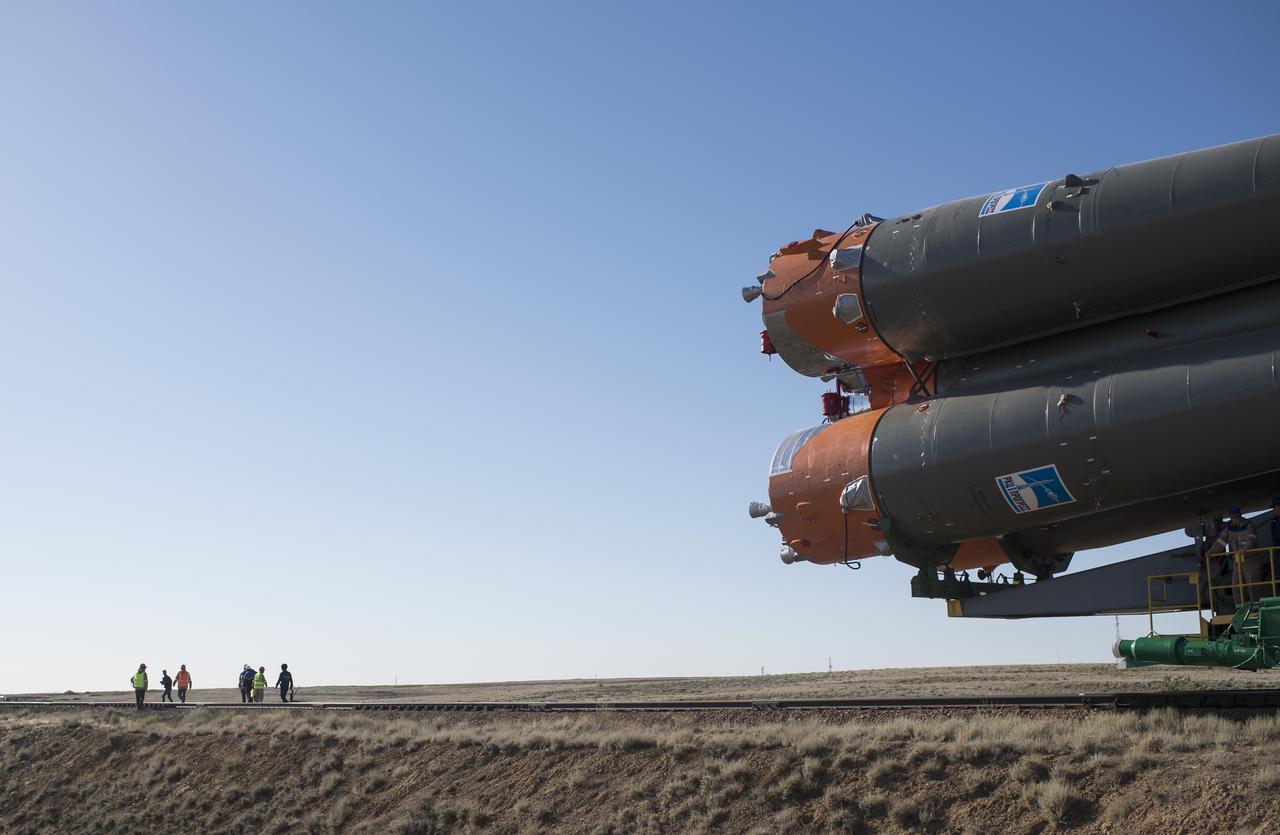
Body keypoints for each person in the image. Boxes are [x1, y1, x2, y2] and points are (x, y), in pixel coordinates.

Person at [1209, 507, 1260, 602]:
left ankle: (1256, 607)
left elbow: (1251, 541)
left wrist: (1245, 550)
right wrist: (1210, 552)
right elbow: (1221, 542)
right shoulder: (1230, 529)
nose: (1238, 518)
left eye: (1238, 516)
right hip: (1237, 561)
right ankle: (1239, 609)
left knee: (1252, 584)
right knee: (1236, 585)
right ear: (1231, 518)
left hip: (1250, 561)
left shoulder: (1249, 525)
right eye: (1235, 517)